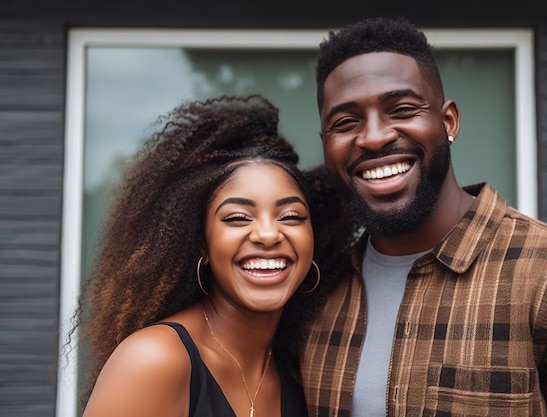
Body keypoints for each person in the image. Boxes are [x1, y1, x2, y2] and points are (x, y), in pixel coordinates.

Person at [299, 17, 547, 416]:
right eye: (346, 122)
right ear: (326, 144)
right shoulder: (316, 289)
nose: (374, 137)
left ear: (448, 121)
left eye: (401, 109)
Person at [73, 94, 352, 417]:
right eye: (237, 218)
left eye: (290, 216)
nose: (268, 234)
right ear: (202, 244)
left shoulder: (298, 373)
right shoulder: (155, 360)